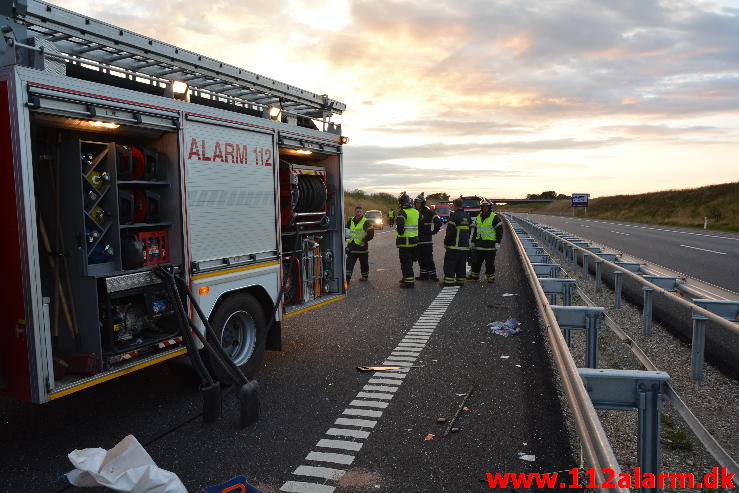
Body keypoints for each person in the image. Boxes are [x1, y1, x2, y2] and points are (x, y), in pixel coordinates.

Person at [468, 199, 503, 282]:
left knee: (489, 263)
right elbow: (476, 231)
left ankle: (490, 277)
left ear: (490, 207)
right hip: (479, 244)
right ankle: (474, 276)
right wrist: (473, 241)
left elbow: (499, 231)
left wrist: (497, 242)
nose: (484, 208)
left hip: (490, 245)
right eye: (483, 206)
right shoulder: (478, 217)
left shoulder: (494, 217)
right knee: (475, 262)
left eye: (486, 206)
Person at [441, 198, 470, 287]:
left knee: (450, 264)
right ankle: (460, 281)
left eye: (453, 205)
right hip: (464, 246)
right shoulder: (467, 216)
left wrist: (446, 242)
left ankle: (448, 282)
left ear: (455, 205)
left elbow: (450, 232)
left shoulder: (454, 216)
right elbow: (468, 232)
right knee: (461, 265)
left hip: (454, 246)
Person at [413, 192, 441, 281]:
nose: (417, 204)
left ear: (423, 203)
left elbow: (438, 222)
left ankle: (433, 275)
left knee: (428, 258)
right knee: (420, 259)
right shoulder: (414, 213)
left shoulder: (429, 212)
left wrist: (434, 232)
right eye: (416, 203)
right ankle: (423, 275)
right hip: (417, 240)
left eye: (419, 203)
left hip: (426, 241)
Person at [395, 191, 419, 288]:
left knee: (406, 262)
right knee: (408, 262)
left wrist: (400, 232)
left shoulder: (403, 212)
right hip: (414, 241)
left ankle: (409, 282)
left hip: (405, 242)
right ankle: (406, 278)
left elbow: (400, 224)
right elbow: (420, 221)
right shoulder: (416, 212)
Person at [345, 205, 374, 283]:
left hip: (362, 248)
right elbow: (346, 231)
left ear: (362, 213)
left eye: (360, 212)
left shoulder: (366, 222)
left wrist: (364, 241)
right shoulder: (350, 221)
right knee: (349, 264)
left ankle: (364, 276)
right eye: (357, 212)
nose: (358, 213)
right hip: (352, 247)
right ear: (355, 212)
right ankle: (346, 280)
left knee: (364, 264)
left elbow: (371, 233)